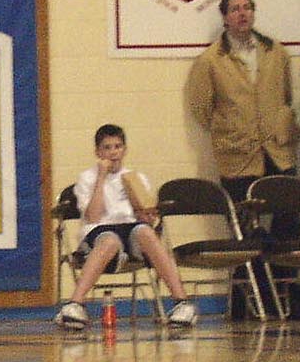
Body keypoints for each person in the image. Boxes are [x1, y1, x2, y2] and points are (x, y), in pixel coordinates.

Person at [184, 0, 300, 317]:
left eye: (247, 7)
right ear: (225, 17)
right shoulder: (211, 60)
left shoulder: (275, 52)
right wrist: (233, 127)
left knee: (288, 221)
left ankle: (284, 290)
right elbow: (201, 108)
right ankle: (250, 297)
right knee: (245, 229)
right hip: (238, 155)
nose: (242, 13)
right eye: (235, 9)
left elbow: (286, 95)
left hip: (277, 150)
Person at [55, 124, 197, 330]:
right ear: (98, 152)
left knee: (147, 232)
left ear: (124, 149)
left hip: (131, 230)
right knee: (110, 239)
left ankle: (181, 303)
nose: (113, 153)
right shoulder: (87, 178)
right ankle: (74, 304)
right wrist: (101, 178)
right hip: (99, 232)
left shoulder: (135, 178)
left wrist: (147, 215)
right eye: (107, 147)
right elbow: (93, 216)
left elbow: (147, 218)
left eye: (117, 147)